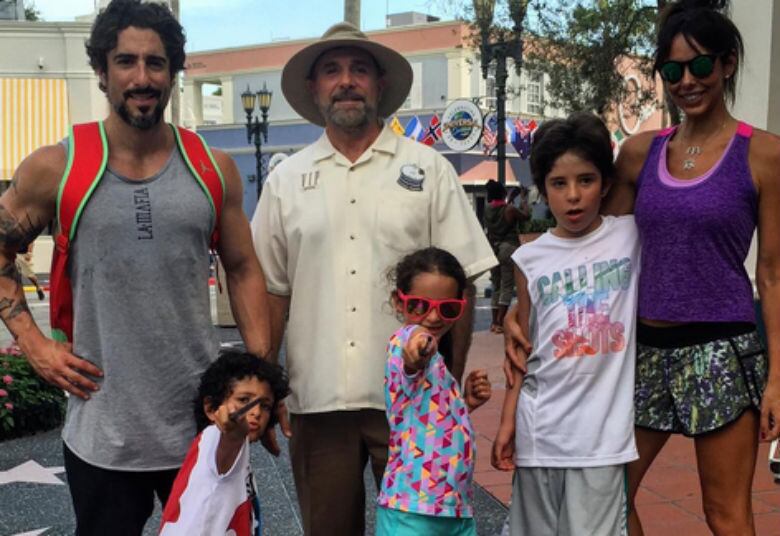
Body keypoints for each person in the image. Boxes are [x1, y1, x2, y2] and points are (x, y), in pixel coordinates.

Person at [504, 2, 780, 534]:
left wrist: (779, 378)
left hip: (722, 349)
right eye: (672, 71)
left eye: (700, 66)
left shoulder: (764, 154)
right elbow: (586, 248)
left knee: (725, 514)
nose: (687, 82)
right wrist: (524, 304)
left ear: (726, 64)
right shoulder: (637, 153)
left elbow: (773, 273)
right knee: (611, 500)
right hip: (643, 352)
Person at [0, 1, 271, 533]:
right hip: (102, 430)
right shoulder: (58, 166)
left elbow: (243, 268)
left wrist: (261, 376)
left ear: (174, 72)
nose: (142, 77)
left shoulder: (212, 169)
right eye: (126, 62)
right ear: (101, 71)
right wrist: (32, 343)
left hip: (204, 423)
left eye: (157, 62)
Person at [251, 22, 496, 535]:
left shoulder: (429, 169)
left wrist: (446, 385)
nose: (346, 81)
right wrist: (266, 386)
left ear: (380, 84)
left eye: (359, 69)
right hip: (317, 400)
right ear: (315, 88)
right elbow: (272, 291)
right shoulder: (286, 181)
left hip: (416, 408)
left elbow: (463, 283)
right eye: (332, 71)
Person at [492, 112, 640, 535]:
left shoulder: (629, 236)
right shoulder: (529, 259)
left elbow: (648, 151)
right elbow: (524, 347)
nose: (573, 196)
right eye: (559, 184)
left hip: (602, 441)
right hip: (540, 434)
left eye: (586, 180)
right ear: (543, 189)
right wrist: (507, 422)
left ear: (606, 184)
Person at [377, 247, 491, 536]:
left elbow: (428, 417)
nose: (433, 316)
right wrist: (418, 348)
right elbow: (412, 348)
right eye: (418, 305)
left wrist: (465, 403)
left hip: (453, 507)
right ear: (398, 303)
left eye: (447, 308)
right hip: (412, 510)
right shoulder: (405, 341)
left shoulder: (439, 363)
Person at [159, 350, 290, 535]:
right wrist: (233, 435)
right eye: (244, 400)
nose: (256, 412)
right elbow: (226, 445)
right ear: (212, 409)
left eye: (265, 405)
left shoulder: (231, 444)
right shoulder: (215, 438)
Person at [483, 179, 529, 333]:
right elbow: (526, 215)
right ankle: (501, 323)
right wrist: (523, 198)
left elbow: (500, 208)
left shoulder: (487, 209)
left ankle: (493, 322)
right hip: (508, 249)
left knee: (496, 286)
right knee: (507, 286)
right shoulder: (510, 210)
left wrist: (511, 198)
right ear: (502, 193)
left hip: (493, 249)